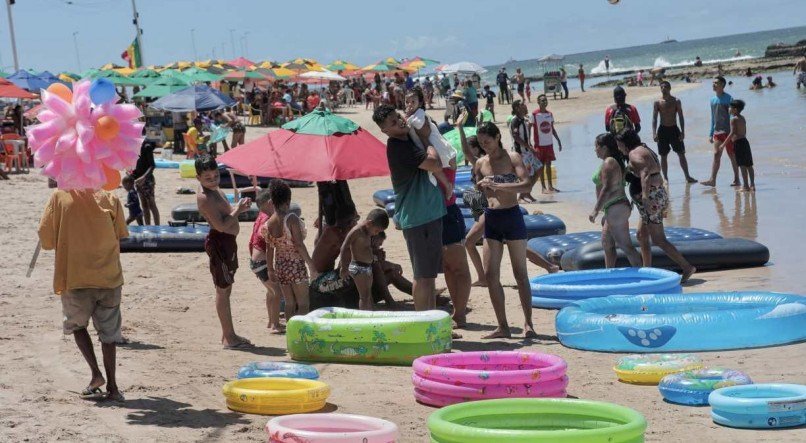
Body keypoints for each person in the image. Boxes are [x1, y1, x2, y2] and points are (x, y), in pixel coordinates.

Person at [38, 186, 129, 401]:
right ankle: (114, 388)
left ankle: (96, 374)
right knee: (109, 334)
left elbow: (47, 240)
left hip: (75, 276)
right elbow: (120, 234)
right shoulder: (110, 197)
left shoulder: (58, 196)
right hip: (109, 277)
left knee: (78, 326)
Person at [373, 105, 446, 311]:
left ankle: (431, 323)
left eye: (398, 116)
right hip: (417, 218)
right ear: (385, 131)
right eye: (393, 123)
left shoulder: (407, 140)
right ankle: (424, 324)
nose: (400, 121)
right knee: (422, 277)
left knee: (429, 276)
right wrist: (426, 140)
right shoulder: (398, 147)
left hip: (429, 214)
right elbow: (435, 163)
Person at [474, 122, 537, 339]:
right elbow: (478, 193)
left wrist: (498, 185)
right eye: (481, 143)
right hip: (492, 219)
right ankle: (503, 326)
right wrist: (480, 188)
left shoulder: (513, 158)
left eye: (488, 141)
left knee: (520, 273)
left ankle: (528, 324)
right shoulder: (480, 163)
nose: (485, 146)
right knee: (491, 275)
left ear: (498, 137)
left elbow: (526, 185)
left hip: (512, 216)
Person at [616, 130, 697, 283]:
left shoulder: (634, 154)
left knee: (659, 239)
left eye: (619, 144)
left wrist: (645, 198)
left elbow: (645, 173)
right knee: (641, 235)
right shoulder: (643, 148)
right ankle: (647, 271)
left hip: (651, 199)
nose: (618, 147)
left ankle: (686, 266)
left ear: (625, 143)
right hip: (656, 195)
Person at [195, 154, 253, 349]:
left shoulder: (214, 190)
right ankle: (228, 337)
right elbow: (220, 226)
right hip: (220, 242)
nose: (213, 181)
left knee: (226, 288)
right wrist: (238, 211)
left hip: (228, 242)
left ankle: (229, 334)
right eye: (208, 178)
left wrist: (239, 207)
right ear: (198, 178)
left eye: (215, 177)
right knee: (222, 290)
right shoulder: (204, 197)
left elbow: (226, 213)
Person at [589, 133, 642, 267]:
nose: (595, 149)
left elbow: (606, 188)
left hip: (616, 207)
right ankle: (609, 274)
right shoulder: (610, 161)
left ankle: (643, 277)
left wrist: (596, 210)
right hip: (612, 208)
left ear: (604, 147)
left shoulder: (609, 162)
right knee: (607, 243)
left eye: (596, 146)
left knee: (626, 246)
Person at [339, 209, 390, 310]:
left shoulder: (368, 232)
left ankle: (370, 314)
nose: (376, 234)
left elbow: (365, 248)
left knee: (368, 296)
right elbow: (344, 247)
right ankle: (364, 317)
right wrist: (344, 267)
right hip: (358, 267)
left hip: (366, 267)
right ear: (369, 223)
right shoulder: (357, 231)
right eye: (376, 231)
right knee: (364, 297)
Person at [250, 188, 284, 334]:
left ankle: (271, 321)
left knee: (271, 291)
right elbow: (264, 238)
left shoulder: (261, 215)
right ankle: (275, 324)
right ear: (271, 203)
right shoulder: (267, 220)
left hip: (255, 261)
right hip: (262, 261)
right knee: (277, 291)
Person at [652, 81, 697, 183]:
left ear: (670, 88)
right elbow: (654, 118)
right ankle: (666, 178)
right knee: (663, 155)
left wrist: (682, 131)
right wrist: (654, 133)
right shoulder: (657, 102)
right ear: (660, 88)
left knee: (681, 153)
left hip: (674, 129)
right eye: (662, 86)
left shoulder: (676, 101)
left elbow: (681, 116)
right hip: (662, 130)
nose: (663, 88)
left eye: (666, 86)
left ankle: (687, 176)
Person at [312, 180, 359, 274]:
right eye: (354, 222)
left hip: (322, 273)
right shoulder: (337, 235)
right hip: (321, 278)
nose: (355, 225)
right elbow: (349, 262)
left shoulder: (331, 229)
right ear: (349, 223)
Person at [701, 76, 739, 187]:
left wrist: (734, 132)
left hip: (728, 132)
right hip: (717, 132)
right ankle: (712, 180)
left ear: (722, 85)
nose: (713, 84)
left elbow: (733, 116)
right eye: (713, 83)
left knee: (732, 155)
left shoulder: (729, 98)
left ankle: (737, 179)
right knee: (716, 154)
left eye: (716, 83)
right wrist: (710, 133)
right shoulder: (712, 100)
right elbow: (713, 117)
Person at [532, 94, 563, 193]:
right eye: (542, 100)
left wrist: (558, 140)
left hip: (549, 143)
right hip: (539, 144)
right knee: (540, 166)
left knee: (549, 164)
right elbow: (529, 127)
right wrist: (529, 142)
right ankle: (543, 187)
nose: (544, 102)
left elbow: (552, 129)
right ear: (538, 102)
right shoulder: (534, 114)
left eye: (545, 100)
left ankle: (550, 186)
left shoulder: (550, 114)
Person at [509, 100, 537, 202]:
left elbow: (526, 135)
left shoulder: (524, 119)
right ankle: (522, 195)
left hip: (527, 151)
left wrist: (530, 146)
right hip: (520, 152)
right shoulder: (515, 120)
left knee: (537, 169)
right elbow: (516, 137)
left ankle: (526, 193)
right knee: (526, 174)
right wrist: (529, 147)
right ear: (517, 108)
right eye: (522, 105)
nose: (525, 106)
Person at [725, 99, 754, 192]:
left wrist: (723, 144)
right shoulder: (742, 118)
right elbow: (744, 131)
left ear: (735, 109)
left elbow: (732, 133)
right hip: (745, 141)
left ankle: (745, 186)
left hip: (738, 143)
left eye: (730, 107)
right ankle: (752, 185)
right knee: (749, 165)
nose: (728, 109)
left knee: (742, 165)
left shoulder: (733, 119)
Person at [131, 140, 160, 225]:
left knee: (151, 204)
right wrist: (132, 174)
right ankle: (147, 227)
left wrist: (143, 177)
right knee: (144, 205)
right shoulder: (133, 147)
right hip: (138, 180)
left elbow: (152, 165)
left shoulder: (146, 147)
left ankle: (157, 227)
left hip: (147, 180)